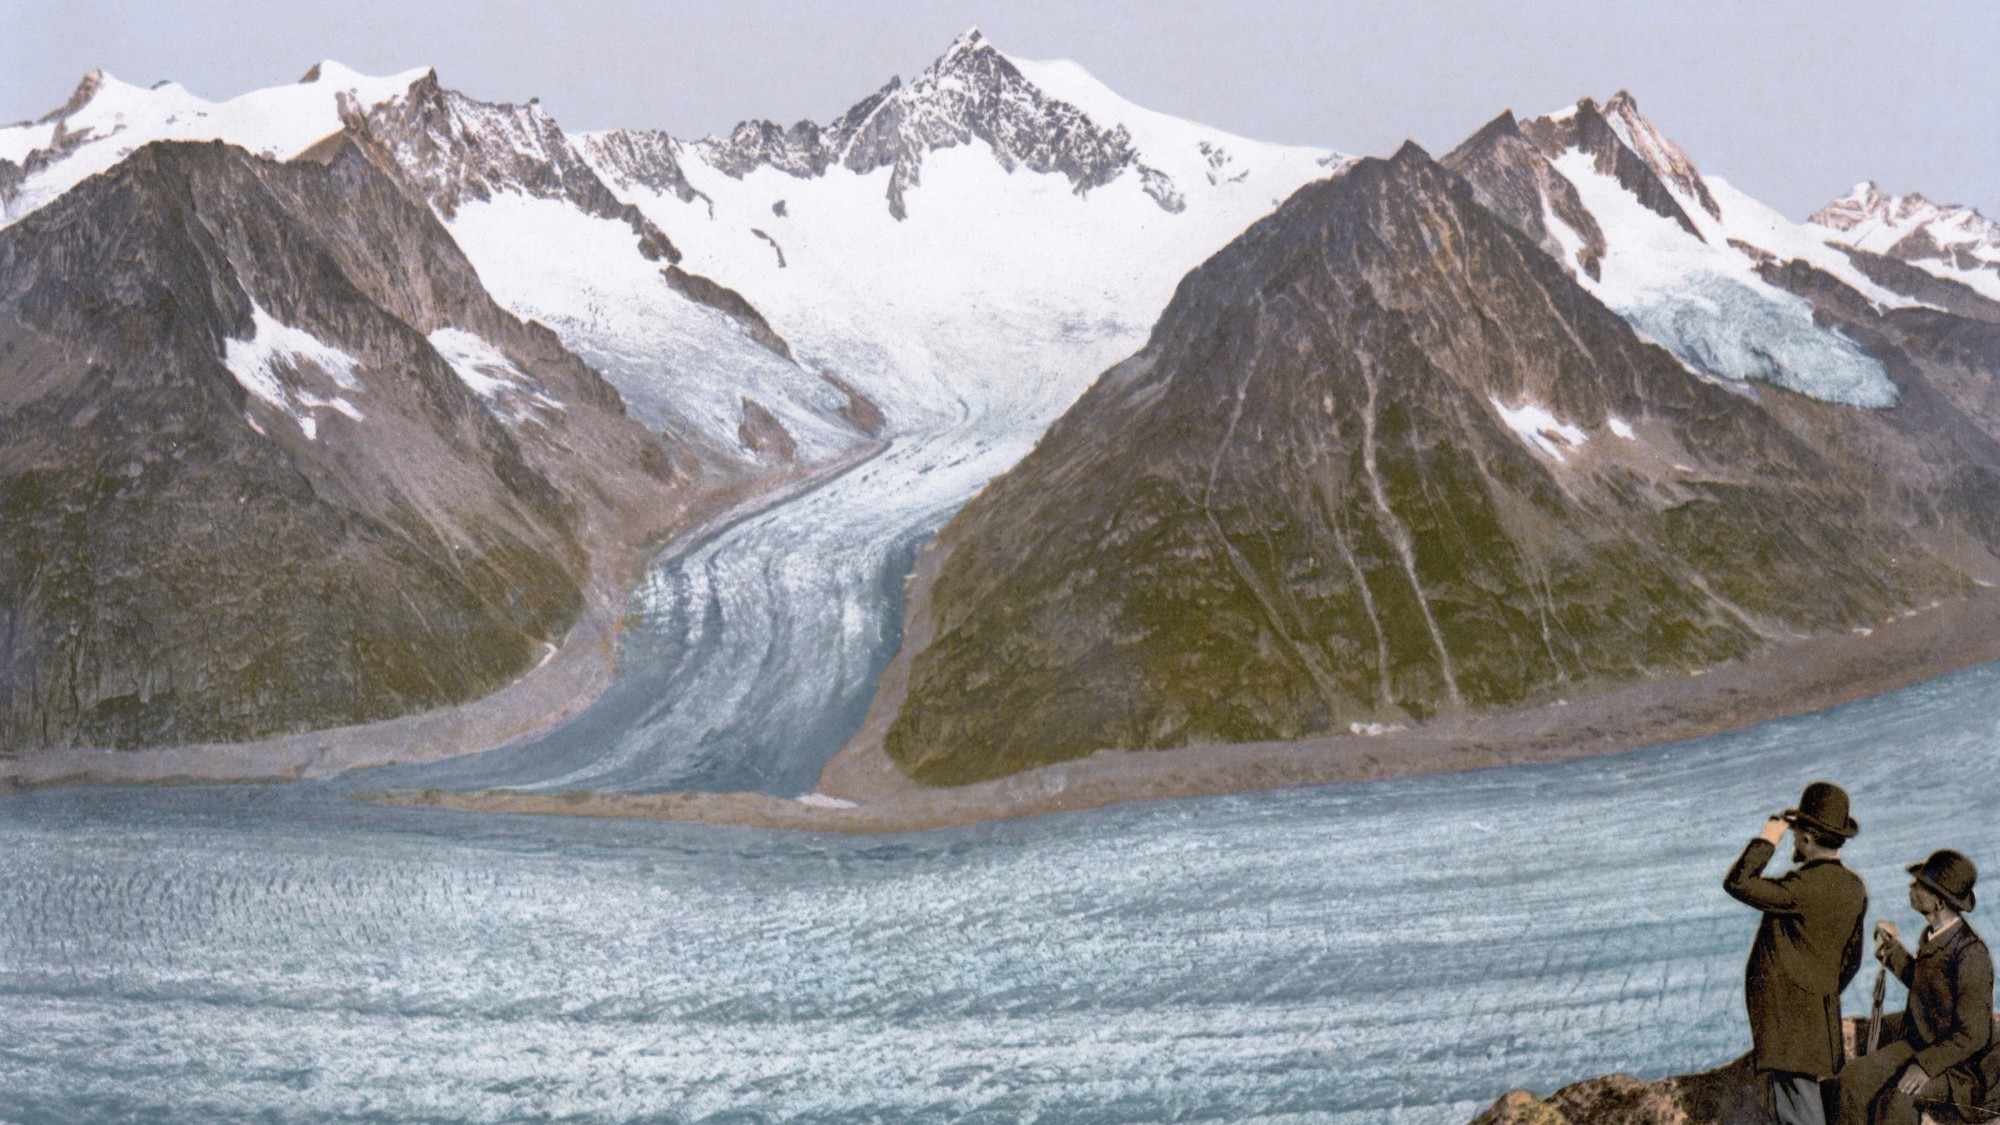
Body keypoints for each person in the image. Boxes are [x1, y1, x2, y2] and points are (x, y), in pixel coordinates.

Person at [1725, 781, 1869, 1125]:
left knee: (1799, 1115)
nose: (1791, 840)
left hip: (1788, 1025)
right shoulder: (1854, 888)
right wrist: (1820, 993)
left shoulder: (1800, 888)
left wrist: (1766, 839)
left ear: (1806, 837)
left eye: (1794, 834)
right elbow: (1852, 958)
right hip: (1818, 1018)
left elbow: (1738, 882)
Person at [1836, 850, 1993, 1125]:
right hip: (1920, 1044)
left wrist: (1925, 1066)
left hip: (1959, 1069)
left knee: (1896, 1102)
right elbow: (1926, 988)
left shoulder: (1971, 954)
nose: (1912, 888)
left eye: (1921, 885)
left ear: (1939, 901)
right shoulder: (1934, 937)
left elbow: (1974, 1035)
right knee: (1852, 1082)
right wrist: (1891, 950)